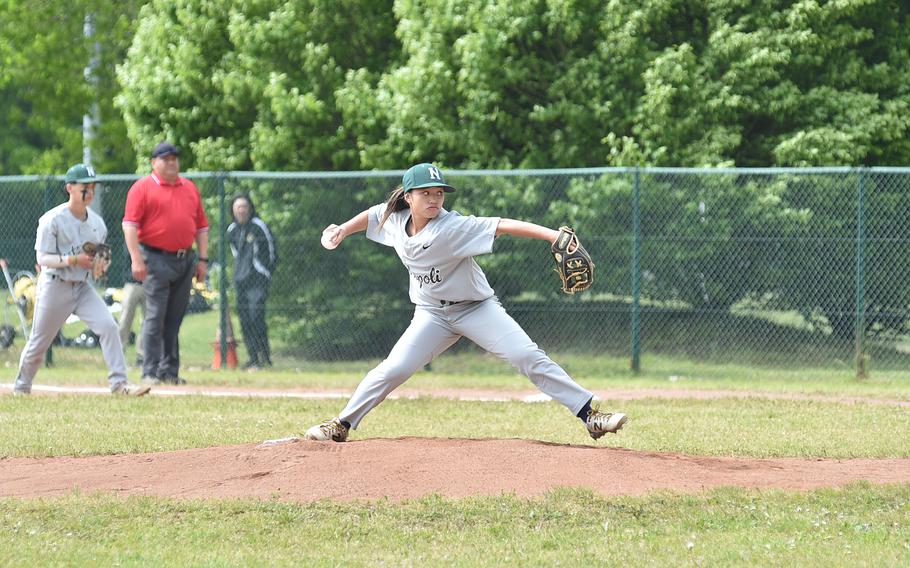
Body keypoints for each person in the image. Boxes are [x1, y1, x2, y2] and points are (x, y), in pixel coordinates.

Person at [304, 163, 627, 442]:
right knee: (394, 369)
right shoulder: (394, 218)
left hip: (476, 309)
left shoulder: (453, 227)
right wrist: (343, 230)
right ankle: (341, 424)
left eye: (439, 193)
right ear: (408, 197)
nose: (434, 199)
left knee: (526, 355)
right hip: (432, 314)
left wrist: (554, 237)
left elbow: (504, 226)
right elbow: (373, 215)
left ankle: (590, 416)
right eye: (425, 193)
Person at [13, 163, 150, 396]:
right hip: (55, 286)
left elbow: (98, 258)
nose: (90, 191)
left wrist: (99, 266)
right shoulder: (52, 220)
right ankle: (21, 388)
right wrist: (74, 260)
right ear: (69, 188)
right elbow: (43, 258)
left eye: (92, 186)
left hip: (82, 287)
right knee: (39, 342)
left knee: (108, 326)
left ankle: (119, 384)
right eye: (84, 186)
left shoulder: (97, 224)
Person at [122, 142, 209, 385]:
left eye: (175, 158)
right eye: (166, 158)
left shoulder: (189, 188)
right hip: (155, 258)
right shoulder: (142, 188)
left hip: (184, 259)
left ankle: (169, 371)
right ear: (154, 162)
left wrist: (202, 260)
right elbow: (130, 225)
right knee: (155, 315)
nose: (172, 162)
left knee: (175, 317)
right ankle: (149, 370)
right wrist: (136, 259)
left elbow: (202, 227)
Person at [227, 193, 277, 369]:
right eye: (238, 207)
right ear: (233, 210)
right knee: (245, 319)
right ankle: (253, 358)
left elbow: (272, 252)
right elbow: (235, 254)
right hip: (241, 282)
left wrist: (265, 273)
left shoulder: (258, 227)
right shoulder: (231, 230)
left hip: (257, 281)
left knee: (257, 316)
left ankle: (265, 357)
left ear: (249, 208)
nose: (241, 210)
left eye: (244, 206)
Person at [117, 251, 146, 367]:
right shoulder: (132, 233)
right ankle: (118, 356)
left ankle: (142, 357)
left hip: (149, 283)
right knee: (125, 320)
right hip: (132, 283)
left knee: (147, 322)